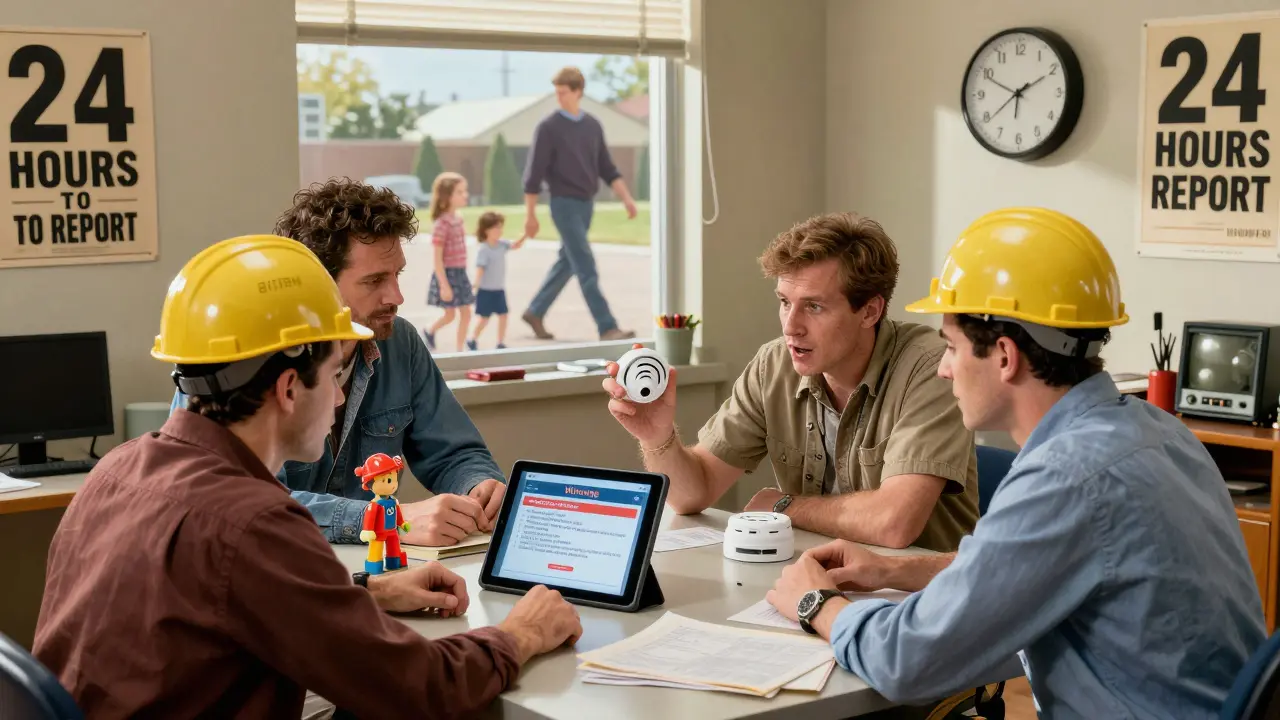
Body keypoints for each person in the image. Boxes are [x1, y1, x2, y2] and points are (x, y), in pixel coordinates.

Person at [34, 234, 583, 719]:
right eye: (334, 375)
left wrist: (363, 593)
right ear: (289, 388)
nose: (343, 395)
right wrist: (523, 633)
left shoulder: (118, 469)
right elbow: (422, 688)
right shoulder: (253, 521)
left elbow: (214, 603)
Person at [766, 207, 1267, 718]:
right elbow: (1035, 570)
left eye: (952, 346)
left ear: (1004, 356)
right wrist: (900, 570)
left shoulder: (1066, 479)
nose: (942, 369)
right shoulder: (1157, 431)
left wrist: (816, 604)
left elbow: (907, 663)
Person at [605, 212, 978, 552]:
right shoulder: (775, 363)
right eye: (785, 301)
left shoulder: (933, 366)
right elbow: (693, 493)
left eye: (814, 306)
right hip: (811, 581)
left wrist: (784, 505)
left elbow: (893, 524)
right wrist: (657, 437)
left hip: (914, 600)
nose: (790, 326)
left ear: (870, 311)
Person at [170, 178, 506, 547]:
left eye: (397, 275)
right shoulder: (244, 356)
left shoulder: (400, 341)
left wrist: (479, 487)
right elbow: (235, 499)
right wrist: (389, 519)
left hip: (374, 572)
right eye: (375, 280)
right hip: (276, 569)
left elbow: (455, 452)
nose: (396, 296)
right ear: (317, 285)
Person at [520, 65, 637, 342]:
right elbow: (533, 176)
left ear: (578, 92)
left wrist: (627, 199)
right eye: (556, 93)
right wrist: (530, 216)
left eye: (564, 92)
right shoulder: (548, 128)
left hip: (586, 205)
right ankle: (607, 326)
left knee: (568, 261)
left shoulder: (592, 126)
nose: (559, 97)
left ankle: (535, 311)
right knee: (585, 263)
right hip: (562, 204)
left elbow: (607, 168)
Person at [424, 171, 474, 353]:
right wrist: (444, 285)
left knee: (466, 313)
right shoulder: (442, 224)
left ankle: (460, 349)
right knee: (450, 314)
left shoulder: (458, 219)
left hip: (460, 273)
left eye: (464, 191)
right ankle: (429, 330)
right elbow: (437, 258)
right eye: (460, 192)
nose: (465, 195)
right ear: (447, 196)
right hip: (447, 274)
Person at [468, 210, 527, 351]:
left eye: (501, 227)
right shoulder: (484, 249)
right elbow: (480, 269)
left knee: (503, 315)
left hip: (499, 289)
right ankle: (472, 339)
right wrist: (475, 284)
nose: (500, 231)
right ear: (486, 230)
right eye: (496, 228)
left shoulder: (502, 244)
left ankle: (500, 342)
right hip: (486, 290)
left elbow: (516, 245)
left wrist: (526, 234)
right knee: (484, 319)